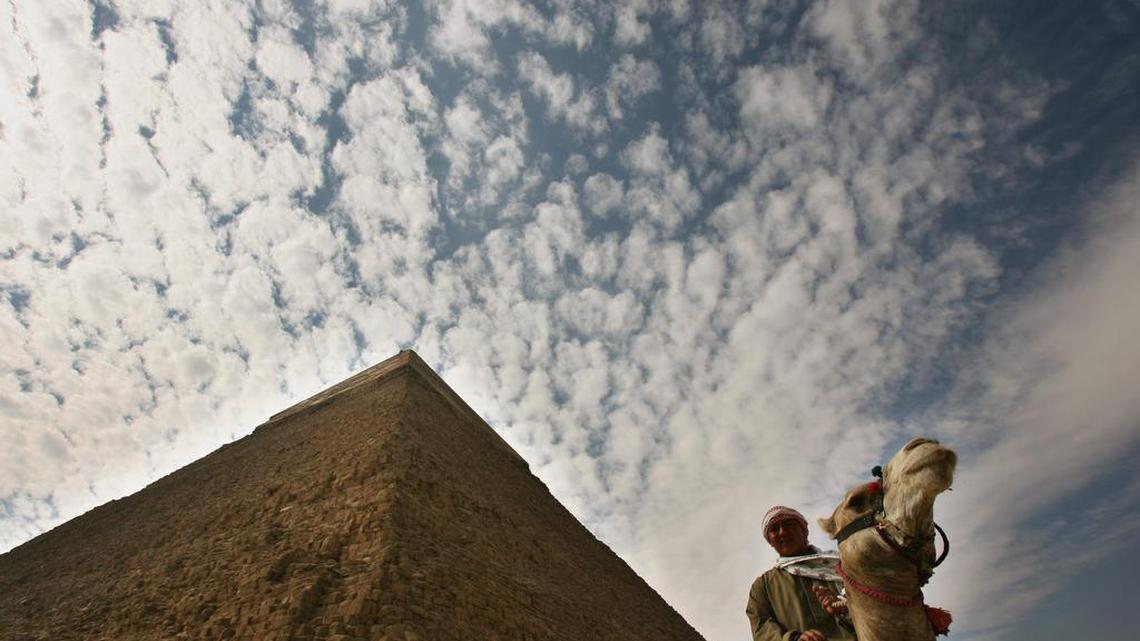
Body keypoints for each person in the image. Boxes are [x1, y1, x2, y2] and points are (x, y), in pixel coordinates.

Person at [746, 506, 855, 641]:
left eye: (788, 525)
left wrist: (844, 607)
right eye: (774, 529)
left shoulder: (845, 566)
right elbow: (761, 628)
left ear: (805, 531)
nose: (782, 532)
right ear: (770, 541)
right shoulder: (763, 586)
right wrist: (793, 639)